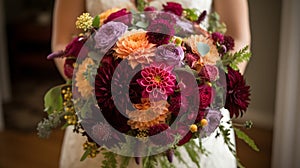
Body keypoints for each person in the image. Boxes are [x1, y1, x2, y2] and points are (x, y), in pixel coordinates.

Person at [51, 0, 251, 167]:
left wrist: (202, 97)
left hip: (196, 118)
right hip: (100, 119)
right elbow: (63, 39)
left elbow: (238, 37)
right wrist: (95, 92)